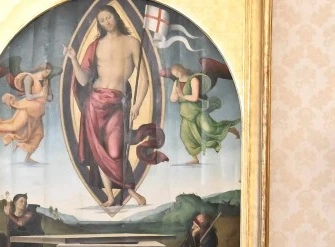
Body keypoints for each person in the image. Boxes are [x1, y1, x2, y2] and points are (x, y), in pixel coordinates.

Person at [64, 6, 159, 206]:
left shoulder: (132, 42)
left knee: (115, 151)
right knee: (98, 151)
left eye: (109, 17)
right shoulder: (95, 45)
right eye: (102, 20)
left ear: (116, 17)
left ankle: (131, 192)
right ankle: (109, 196)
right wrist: (73, 58)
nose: (107, 22)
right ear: (99, 24)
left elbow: (144, 80)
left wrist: (138, 104)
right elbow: (82, 80)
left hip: (117, 103)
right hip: (94, 102)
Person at [166, 63, 239, 163]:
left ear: (182, 69)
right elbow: (173, 98)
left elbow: (195, 98)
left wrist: (182, 96)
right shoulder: (176, 83)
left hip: (197, 111)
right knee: (185, 136)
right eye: (174, 74)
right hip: (185, 113)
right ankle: (195, 159)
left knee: (209, 129)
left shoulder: (193, 80)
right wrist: (177, 96)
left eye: (177, 72)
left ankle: (230, 129)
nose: (177, 75)